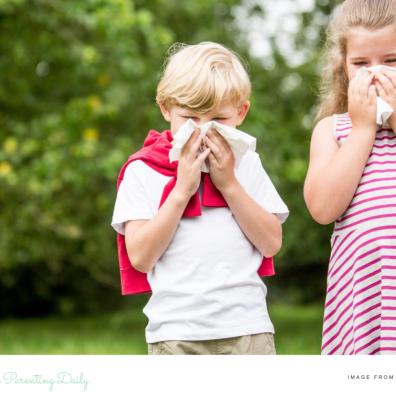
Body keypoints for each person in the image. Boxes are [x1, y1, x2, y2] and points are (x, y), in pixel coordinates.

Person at [111, 41, 289, 355]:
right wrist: (181, 191)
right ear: (166, 107)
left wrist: (230, 184)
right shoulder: (143, 170)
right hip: (176, 333)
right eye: (191, 118)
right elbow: (140, 257)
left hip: (248, 329)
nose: (204, 131)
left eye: (218, 120)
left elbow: (271, 243)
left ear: (241, 112)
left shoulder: (246, 164)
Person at [304, 0, 396, 355]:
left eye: (391, 61)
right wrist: (362, 131)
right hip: (366, 298)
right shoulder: (334, 129)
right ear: (343, 68)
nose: (376, 74)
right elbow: (323, 209)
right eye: (361, 63)